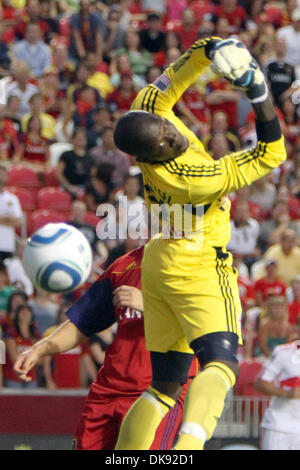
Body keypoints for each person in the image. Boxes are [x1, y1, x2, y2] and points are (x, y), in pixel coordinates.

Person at [112, 37, 287, 450]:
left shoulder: (147, 111)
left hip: (160, 262)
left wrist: (212, 48)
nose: (174, 134)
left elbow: (176, 75)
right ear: (155, 154)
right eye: (168, 141)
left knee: (165, 386)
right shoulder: (193, 178)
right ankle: (187, 451)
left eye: (169, 128)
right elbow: (272, 153)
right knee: (222, 364)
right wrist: (257, 89)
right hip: (198, 264)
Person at [13, 246, 197, 450]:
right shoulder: (123, 266)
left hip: (159, 392)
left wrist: (149, 305)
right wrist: (39, 349)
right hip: (107, 391)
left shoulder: (196, 265)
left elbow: (202, 324)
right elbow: (82, 321)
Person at [255, 317, 300, 450]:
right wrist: (286, 393)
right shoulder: (283, 353)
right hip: (279, 426)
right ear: (296, 329)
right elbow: (260, 383)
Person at [0, 166, 22, 262]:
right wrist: (7, 219)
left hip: (6, 246)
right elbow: (13, 220)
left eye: (2, 175)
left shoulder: (12, 198)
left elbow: (18, 221)